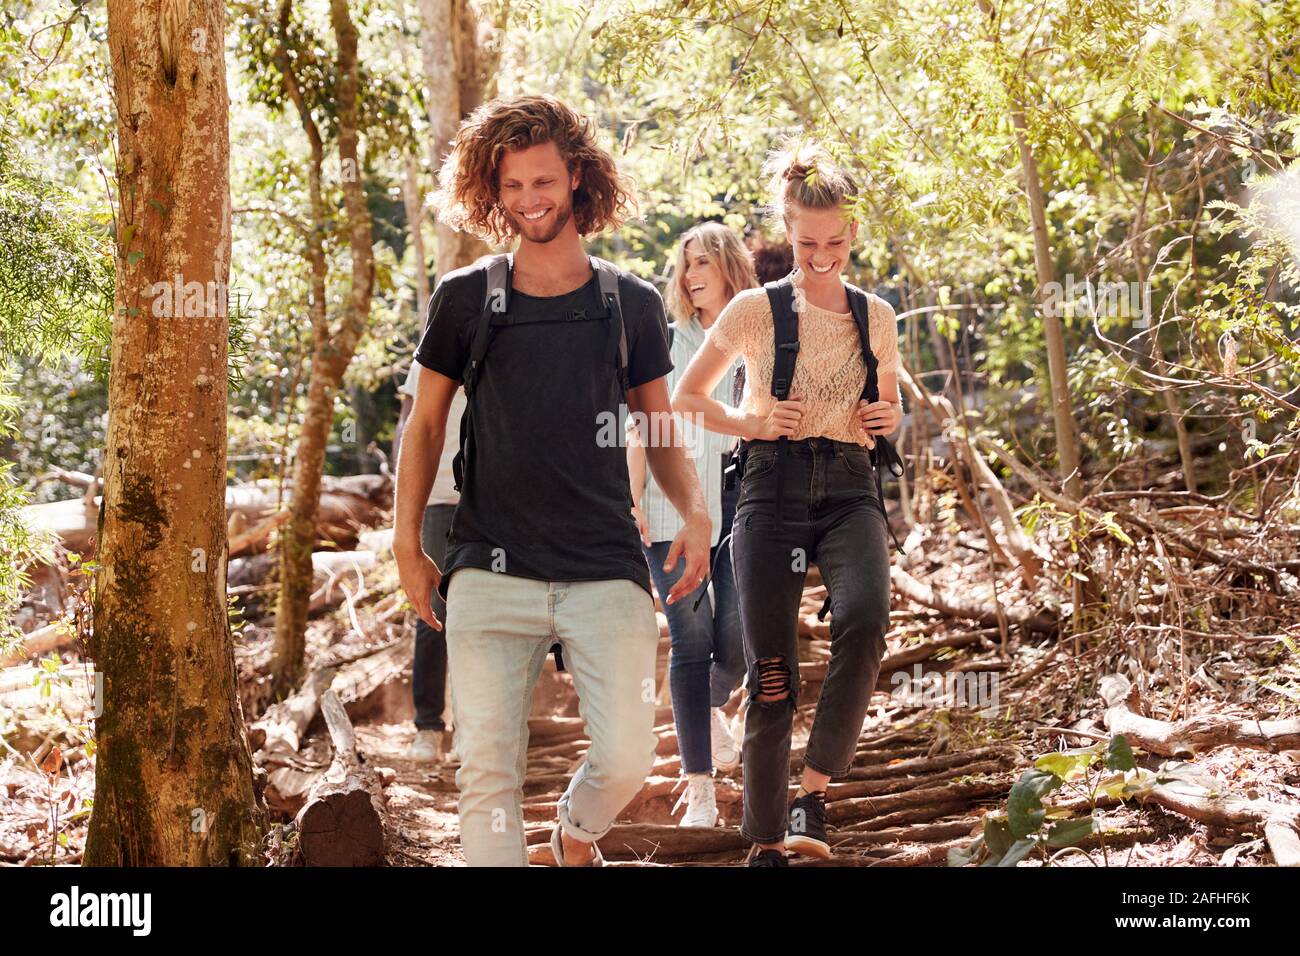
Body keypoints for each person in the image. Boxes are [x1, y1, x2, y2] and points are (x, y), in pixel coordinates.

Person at [393, 94, 712, 868]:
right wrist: (406, 542)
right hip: (488, 570)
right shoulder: (467, 298)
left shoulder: (628, 303)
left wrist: (695, 513)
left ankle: (574, 833)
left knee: (630, 756)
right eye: (511, 187)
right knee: (487, 774)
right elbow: (426, 425)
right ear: (491, 193)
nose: (529, 200)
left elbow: (658, 428)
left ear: (575, 177)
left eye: (542, 181)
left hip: (603, 562)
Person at [672, 136, 903, 866]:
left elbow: (887, 403)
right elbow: (687, 397)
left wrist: (887, 414)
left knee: (864, 623)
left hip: (849, 491)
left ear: (852, 233)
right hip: (768, 491)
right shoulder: (752, 310)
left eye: (836, 241)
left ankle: (814, 792)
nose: (823, 255)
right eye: (808, 242)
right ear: (787, 231)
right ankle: (766, 841)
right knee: (773, 676)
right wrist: (750, 420)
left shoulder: (878, 316)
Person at [626, 222, 754, 827]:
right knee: (691, 639)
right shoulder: (667, 342)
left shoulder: (759, 339)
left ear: (730, 266)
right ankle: (698, 789)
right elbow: (642, 426)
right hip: (666, 514)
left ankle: (707, 706)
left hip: (744, 515)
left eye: (702, 261)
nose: (691, 274)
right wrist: (630, 499)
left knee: (737, 645)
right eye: (685, 264)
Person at [393, 357, 466, 764]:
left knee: (485, 615)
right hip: (437, 498)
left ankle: (470, 729)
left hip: (492, 499)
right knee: (433, 610)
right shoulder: (430, 355)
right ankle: (428, 726)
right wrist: (403, 503)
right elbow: (408, 427)